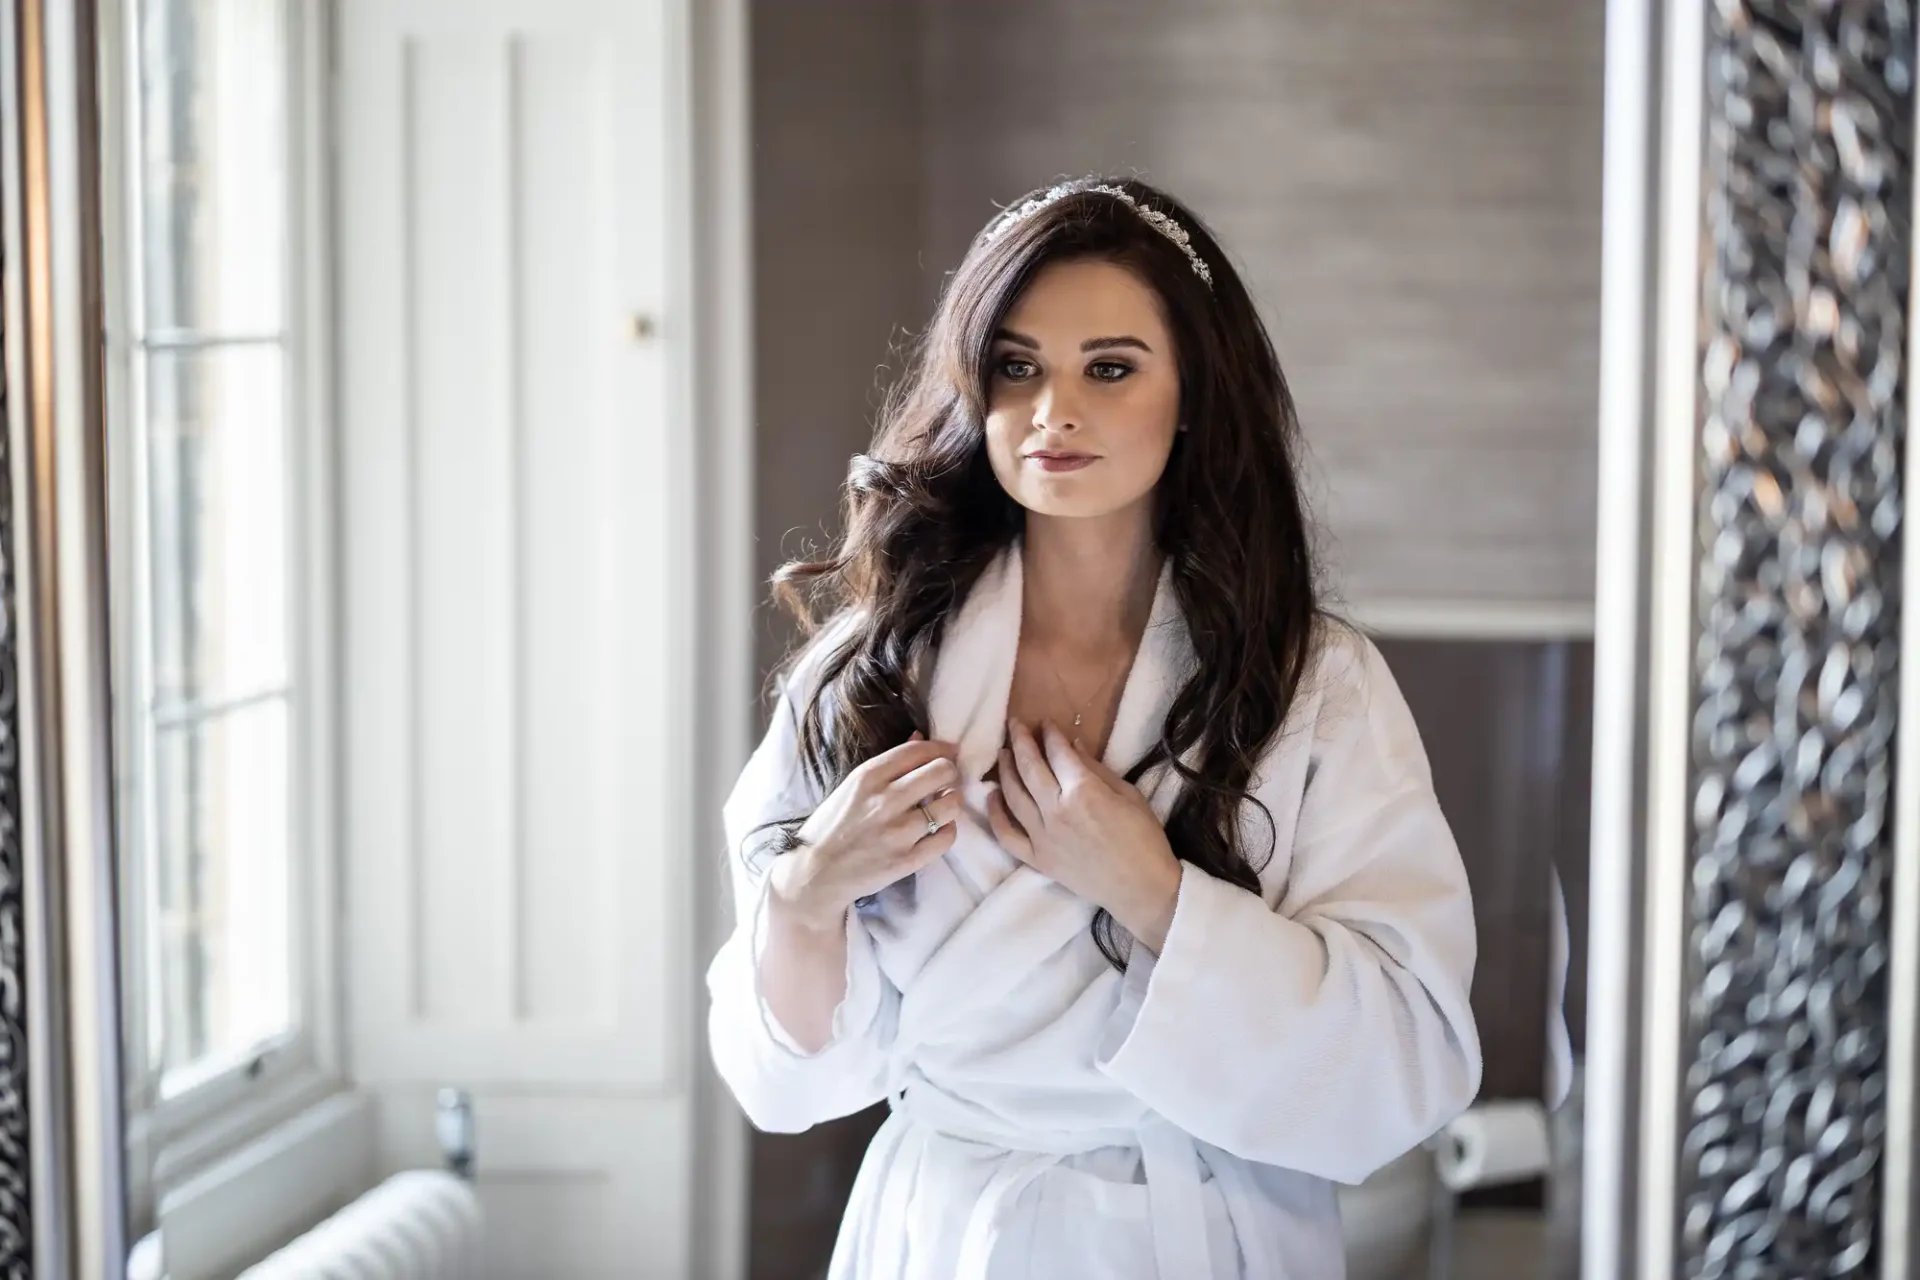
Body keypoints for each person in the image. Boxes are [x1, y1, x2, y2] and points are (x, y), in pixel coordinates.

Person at [706, 176, 1483, 1279]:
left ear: (1194, 395)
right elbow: (781, 1084)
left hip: (1201, 1230)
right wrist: (806, 889)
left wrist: (1157, 894)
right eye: (1017, 367)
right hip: (942, 1233)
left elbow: (1407, 1060)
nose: (1053, 411)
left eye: (1109, 368)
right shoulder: (870, 671)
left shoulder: (1313, 683)